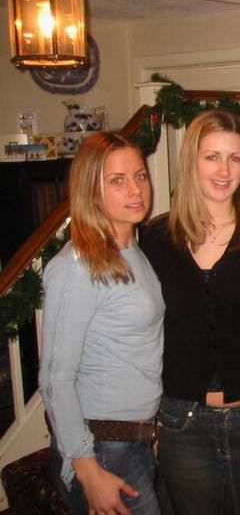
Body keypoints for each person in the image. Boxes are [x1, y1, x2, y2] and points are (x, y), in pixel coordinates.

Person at [140, 109, 240, 515]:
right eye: (212, 157)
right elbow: (143, 334)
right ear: (192, 162)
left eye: (234, 157)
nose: (224, 170)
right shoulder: (157, 239)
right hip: (182, 425)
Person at [40, 133, 164, 515]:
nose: (136, 189)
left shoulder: (132, 250)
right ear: (91, 191)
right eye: (117, 180)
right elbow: (55, 378)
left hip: (133, 441)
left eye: (140, 176)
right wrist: (87, 469)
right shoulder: (76, 266)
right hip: (103, 450)